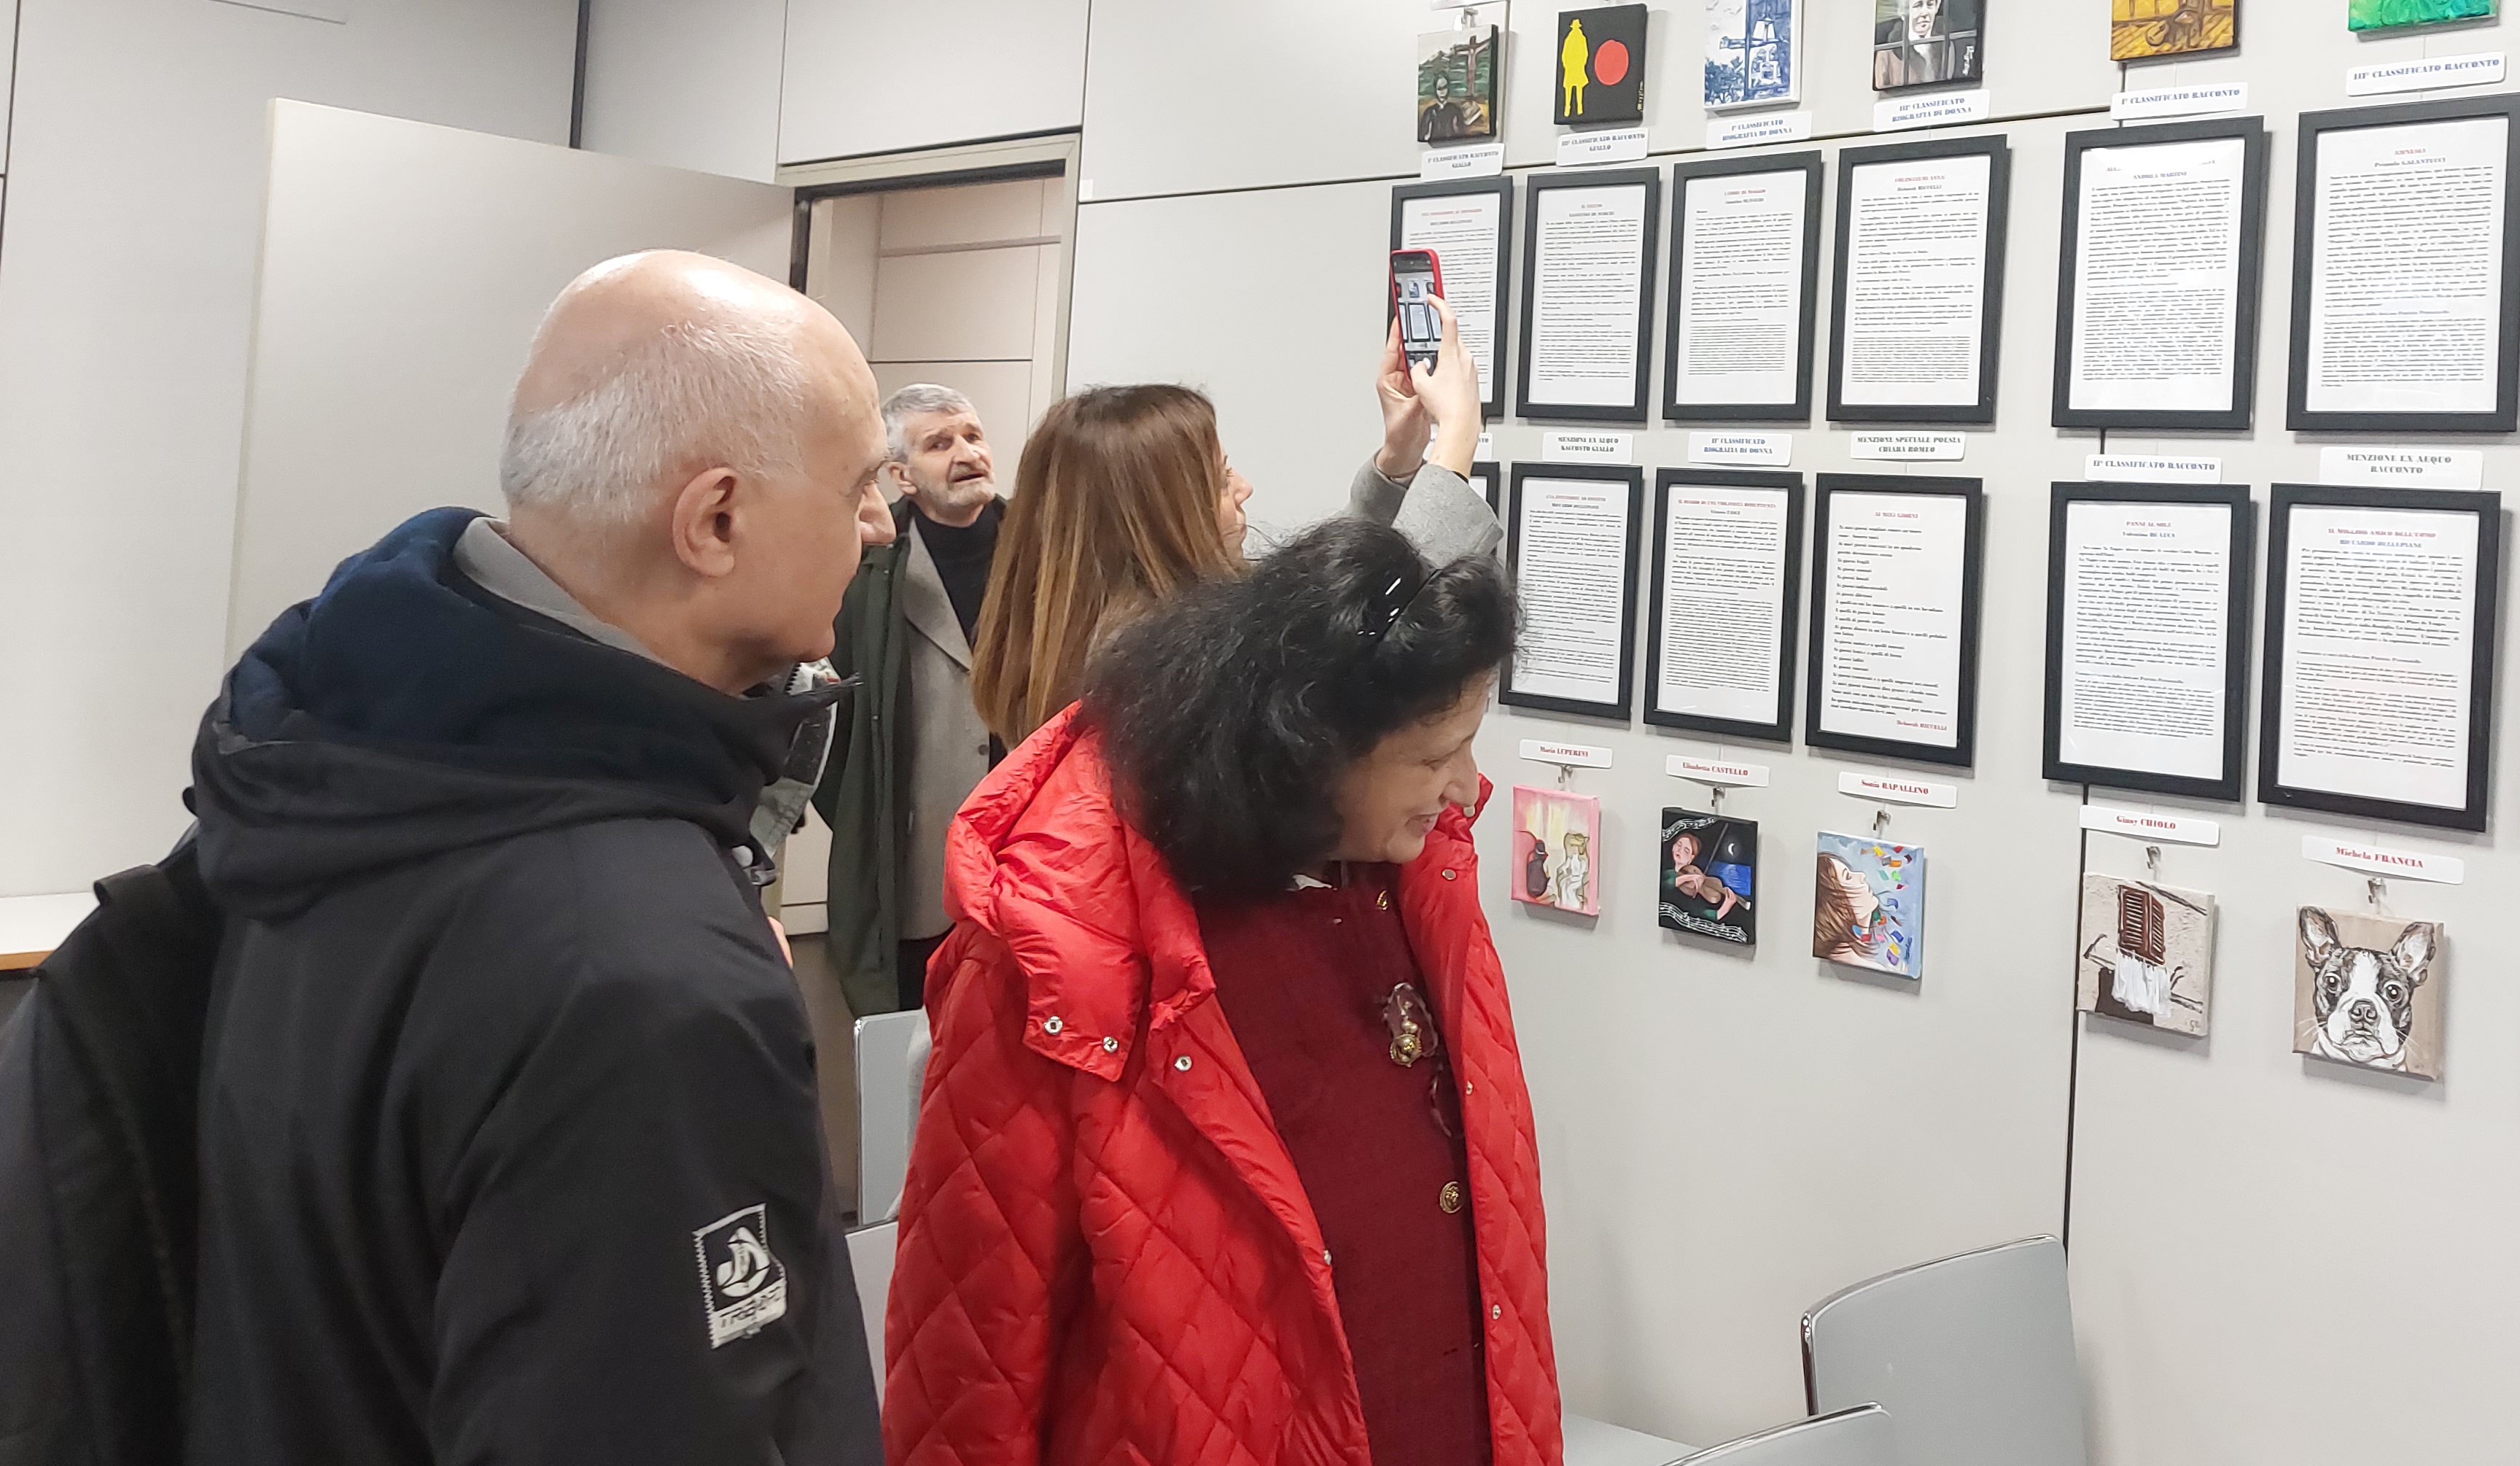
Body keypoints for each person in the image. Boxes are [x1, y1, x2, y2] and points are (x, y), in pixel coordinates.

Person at [182, 252, 887, 1464]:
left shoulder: (326, 776)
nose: (877, 524)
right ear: (716, 520)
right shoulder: (635, 974)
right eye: (860, 483)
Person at [879, 522, 1556, 1466]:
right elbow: (971, 1353)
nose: (1465, 788)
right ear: (1313, 750)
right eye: (1434, 755)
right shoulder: (1058, 951)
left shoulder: (1419, 885)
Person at [969, 292, 1496, 750]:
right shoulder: (1171, 661)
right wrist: (1456, 437)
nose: (1244, 488)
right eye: (1221, 480)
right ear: (1156, 517)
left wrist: (1397, 462)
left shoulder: (1070, 639)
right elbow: (1374, 641)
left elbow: (1316, 602)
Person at [812, 384, 1006, 1015]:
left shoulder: (1041, 549)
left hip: (1031, 854)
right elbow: (833, 723)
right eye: (939, 444)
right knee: (923, 1029)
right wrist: (870, 813)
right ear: (902, 475)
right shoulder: (865, 565)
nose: (967, 453)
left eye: (973, 436)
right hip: (922, 864)